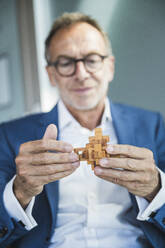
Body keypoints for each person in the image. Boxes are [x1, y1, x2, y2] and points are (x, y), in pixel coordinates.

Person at [0, 12, 165, 248]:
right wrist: (19, 193)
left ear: (109, 67)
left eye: (92, 59)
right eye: (66, 62)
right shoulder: (9, 135)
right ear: (51, 74)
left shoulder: (152, 125)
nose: (81, 74)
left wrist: (156, 189)